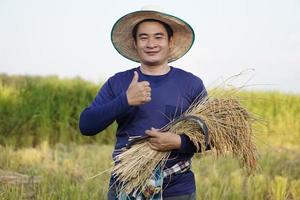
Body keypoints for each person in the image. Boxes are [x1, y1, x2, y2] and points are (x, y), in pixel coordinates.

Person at [79, 7, 207, 200]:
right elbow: (86, 125)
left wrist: (178, 142)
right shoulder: (119, 82)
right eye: (144, 37)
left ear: (170, 42)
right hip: (126, 185)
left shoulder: (190, 84)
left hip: (177, 190)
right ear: (135, 43)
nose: (151, 44)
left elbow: (211, 137)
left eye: (158, 37)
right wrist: (125, 100)